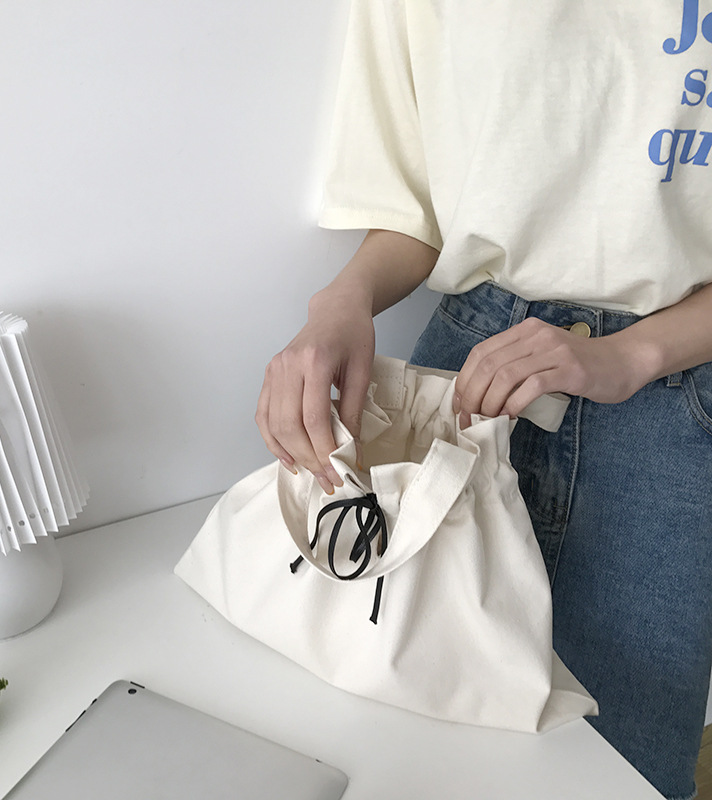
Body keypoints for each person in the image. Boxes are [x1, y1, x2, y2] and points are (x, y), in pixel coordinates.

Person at [255, 2, 712, 798]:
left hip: (673, 397)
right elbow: (415, 213)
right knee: (399, 747)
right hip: (467, 377)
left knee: (624, 767)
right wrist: (341, 303)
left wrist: (631, 353)